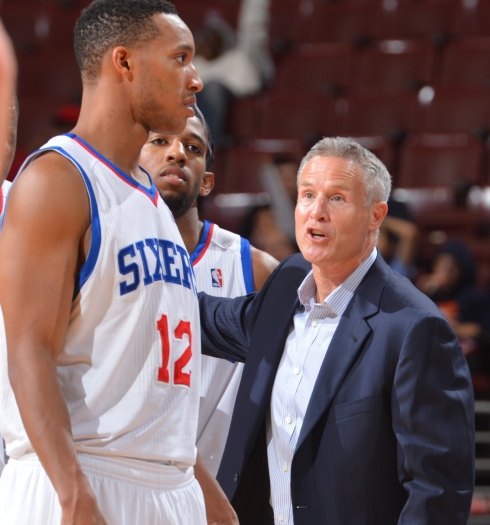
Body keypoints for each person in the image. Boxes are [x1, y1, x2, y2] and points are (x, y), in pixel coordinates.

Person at [0, 1, 207, 523]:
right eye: (180, 58)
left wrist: (207, 493)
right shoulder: (57, 180)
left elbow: (151, 380)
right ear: (124, 63)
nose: (196, 79)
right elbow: (29, 350)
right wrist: (72, 492)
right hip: (84, 477)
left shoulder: (152, 199)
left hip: (167, 481)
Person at [198, 136, 475, 524]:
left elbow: (439, 491)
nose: (317, 211)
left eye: (337, 198)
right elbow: (206, 320)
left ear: (376, 215)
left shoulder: (415, 328)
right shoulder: (285, 283)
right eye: (307, 195)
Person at [139, 105, 278, 523]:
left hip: (223, 492)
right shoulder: (107, 253)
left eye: (192, 148)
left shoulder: (251, 266)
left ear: (207, 182)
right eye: (160, 141)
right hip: (129, 484)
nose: (177, 153)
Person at [416, 239, 490, 396]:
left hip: (466, 353)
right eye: (440, 266)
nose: (444, 272)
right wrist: (420, 293)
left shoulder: (475, 296)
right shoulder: (427, 295)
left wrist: (453, 326)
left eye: (450, 267)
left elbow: (482, 330)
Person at [194, 0, 272, 146]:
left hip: (219, 125)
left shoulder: (240, 59)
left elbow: (253, 28)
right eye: (206, 37)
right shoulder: (193, 64)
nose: (210, 42)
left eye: (215, 37)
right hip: (190, 118)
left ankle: (207, 147)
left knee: (213, 88)